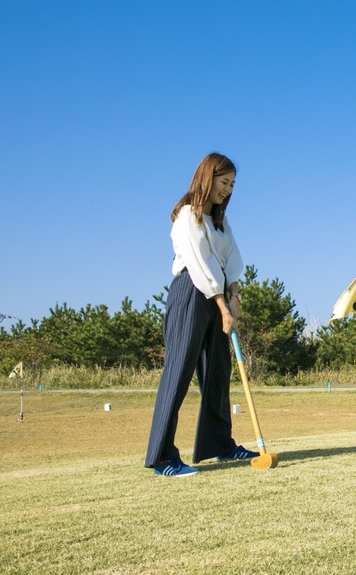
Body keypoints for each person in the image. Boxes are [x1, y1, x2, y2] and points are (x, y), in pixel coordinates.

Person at [145, 153, 259, 477]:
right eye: (224, 182)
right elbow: (200, 264)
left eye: (232, 184)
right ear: (208, 178)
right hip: (191, 294)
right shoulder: (187, 216)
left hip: (219, 295)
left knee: (218, 372)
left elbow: (232, 260)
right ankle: (162, 458)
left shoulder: (220, 221)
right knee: (178, 372)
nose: (228, 189)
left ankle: (219, 444)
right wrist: (222, 305)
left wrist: (234, 297)